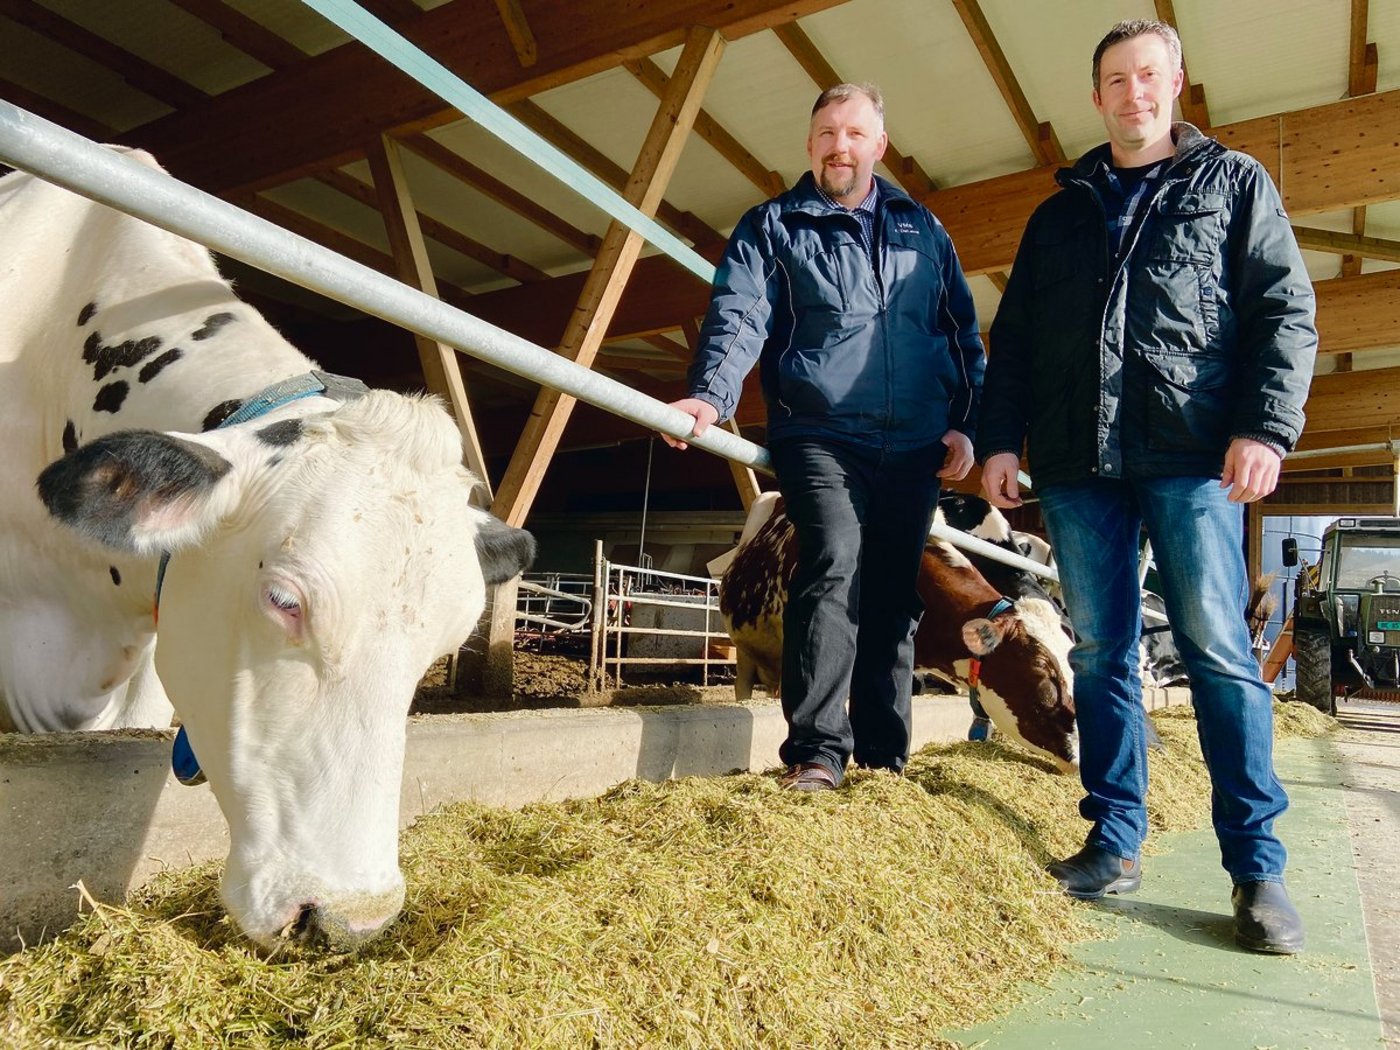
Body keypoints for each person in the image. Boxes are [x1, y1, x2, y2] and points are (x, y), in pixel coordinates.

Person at [976, 20, 1316, 954]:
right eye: (1116, 81)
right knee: (1100, 653)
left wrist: (1265, 426)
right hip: (1080, 465)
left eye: (1149, 77)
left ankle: (1256, 870)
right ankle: (1115, 838)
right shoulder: (1060, 213)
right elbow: (1015, 345)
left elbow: (1283, 308)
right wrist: (1000, 440)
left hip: (1192, 454)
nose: (1134, 94)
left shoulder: (1233, 183)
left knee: (1217, 653)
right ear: (1096, 98)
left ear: (1177, 85)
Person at [663, 83, 984, 791]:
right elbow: (740, 312)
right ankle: (816, 753)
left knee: (895, 593)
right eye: (827, 134)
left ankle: (883, 756)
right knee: (835, 559)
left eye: (855, 133)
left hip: (914, 442)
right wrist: (712, 396)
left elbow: (960, 333)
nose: (841, 146)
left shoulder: (923, 230)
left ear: (880, 144)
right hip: (821, 433)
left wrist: (966, 423)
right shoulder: (774, 225)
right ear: (810, 145)